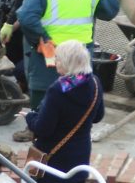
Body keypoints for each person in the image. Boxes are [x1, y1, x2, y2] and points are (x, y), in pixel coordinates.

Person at [16, 0, 118, 114]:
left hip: (50, 60)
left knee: (44, 113)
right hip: (80, 58)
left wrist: (42, 39)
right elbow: (111, 10)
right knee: (76, 112)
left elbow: (26, 17)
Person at [21, 40, 104, 183]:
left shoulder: (58, 90)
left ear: (67, 62)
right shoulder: (95, 82)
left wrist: (30, 117)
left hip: (54, 158)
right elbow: (97, 116)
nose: (55, 61)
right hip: (80, 154)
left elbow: (43, 128)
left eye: (58, 58)